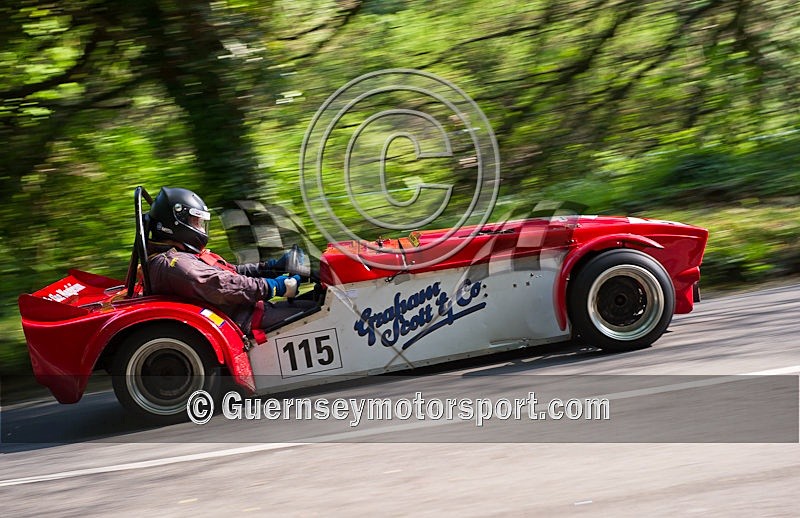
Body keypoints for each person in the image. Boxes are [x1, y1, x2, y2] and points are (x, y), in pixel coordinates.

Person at [145, 187, 314, 341]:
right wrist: (273, 286)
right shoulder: (174, 264)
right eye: (196, 222)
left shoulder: (181, 257)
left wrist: (272, 268)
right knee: (322, 315)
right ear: (176, 223)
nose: (201, 228)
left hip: (248, 312)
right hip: (243, 322)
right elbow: (222, 284)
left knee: (317, 302)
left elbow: (230, 272)